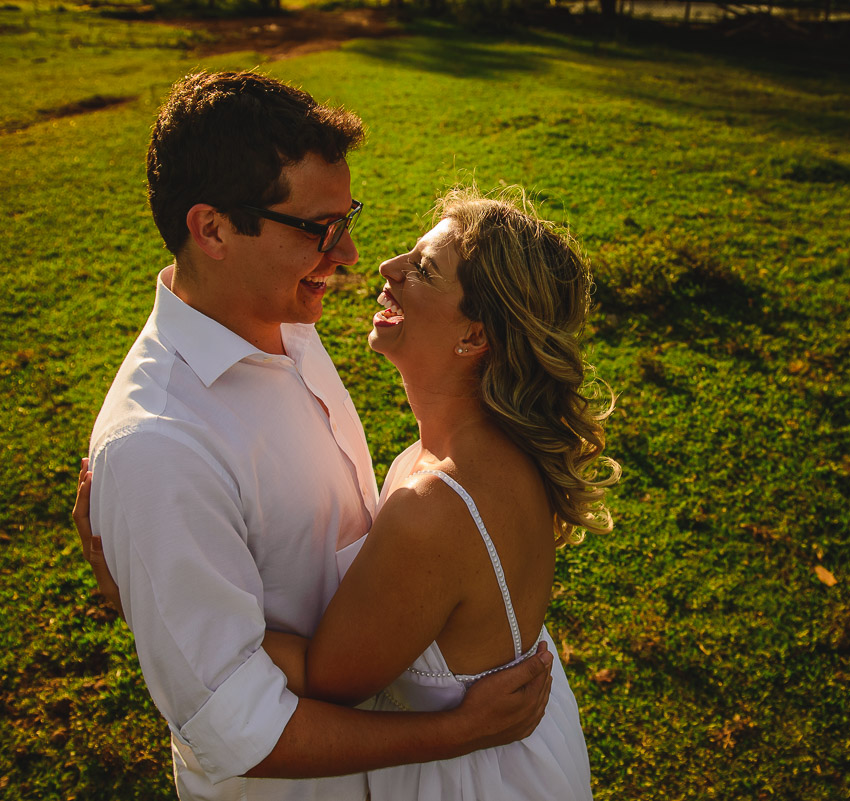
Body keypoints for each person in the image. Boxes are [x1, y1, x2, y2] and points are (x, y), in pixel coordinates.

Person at [79, 71, 552, 801]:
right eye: (320, 229)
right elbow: (236, 726)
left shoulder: (287, 322)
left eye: (348, 216)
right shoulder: (159, 447)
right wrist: (455, 733)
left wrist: (149, 606)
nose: (353, 254)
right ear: (213, 230)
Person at [259, 187, 619, 800]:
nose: (386, 268)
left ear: (474, 337)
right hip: (529, 756)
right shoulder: (505, 445)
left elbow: (323, 679)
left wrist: (156, 586)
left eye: (423, 270)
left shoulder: (437, 507)